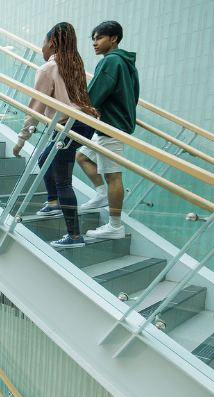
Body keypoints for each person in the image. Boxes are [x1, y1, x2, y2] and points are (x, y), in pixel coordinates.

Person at [13, 22, 98, 248]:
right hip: (84, 124)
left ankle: (74, 236)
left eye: (43, 43)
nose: (41, 48)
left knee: (63, 181)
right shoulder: (73, 65)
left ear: (51, 43)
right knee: (44, 159)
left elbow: (35, 108)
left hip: (68, 125)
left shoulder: (48, 69)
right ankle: (53, 202)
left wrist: (21, 140)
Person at [76, 20, 139, 241]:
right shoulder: (126, 63)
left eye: (99, 38)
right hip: (113, 123)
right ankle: (101, 194)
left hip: (112, 125)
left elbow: (93, 95)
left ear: (114, 39)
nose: (94, 43)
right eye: (93, 39)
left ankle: (115, 226)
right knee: (83, 156)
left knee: (113, 176)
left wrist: (87, 108)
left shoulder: (111, 61)